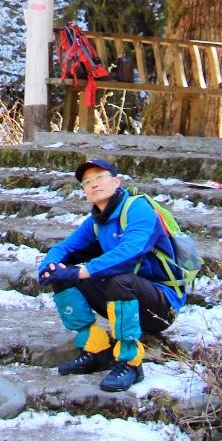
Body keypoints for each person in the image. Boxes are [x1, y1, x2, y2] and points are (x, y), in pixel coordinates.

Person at [37, 157, 184, 393]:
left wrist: (83, 271)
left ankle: (130, 362)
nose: (94, 184)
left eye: (99, 177)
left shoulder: (138, 209)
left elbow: (131, 251)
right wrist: (48, 266)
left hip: (160, 307)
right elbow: (65, 248)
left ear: (116, 182)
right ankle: (96, 349)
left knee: (119, 280)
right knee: (61, 275)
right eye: (87, 182)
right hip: (124, 300)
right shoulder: (96, 221)